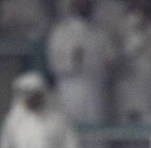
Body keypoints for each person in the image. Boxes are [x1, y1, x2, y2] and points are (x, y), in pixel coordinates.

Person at [47, 0, 116, 131]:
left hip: (95, 92)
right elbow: (54, 65)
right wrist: (74, 60)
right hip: (69, 92)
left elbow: (110, 60)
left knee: (95, 135)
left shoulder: (98, 32)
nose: (83, 4)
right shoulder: (60, 32)